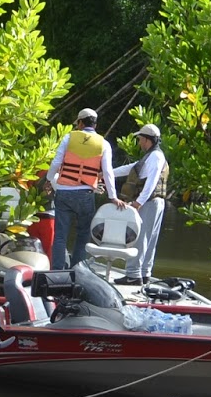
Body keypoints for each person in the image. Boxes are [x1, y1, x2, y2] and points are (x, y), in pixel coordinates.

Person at [45, 107, 123, 269]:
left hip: (64, 192)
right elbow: (108, 172)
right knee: (82, 235)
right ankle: (78, 270)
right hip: (85, 194)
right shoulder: (104, 144)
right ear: (95, 125)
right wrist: (113, 196)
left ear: (80, 123)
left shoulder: (68, 138)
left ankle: (57, 269)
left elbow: (56, 162)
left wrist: (49, 179)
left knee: (60, 236)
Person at [110, 122, 169, 285]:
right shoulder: (151, 156)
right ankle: (144, 273)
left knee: (140, 237)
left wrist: (138, 203)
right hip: (154, 202)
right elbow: (132, 168)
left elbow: (151, 182)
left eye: (140, 139)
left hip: (149, 202)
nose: (139, 142)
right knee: (149, 239)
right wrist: (107, 174)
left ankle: (133, 275)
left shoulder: (155, 157)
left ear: (147, 140)